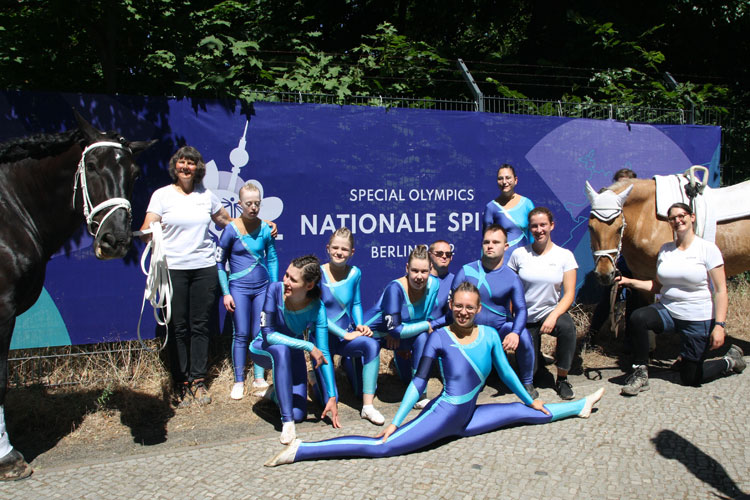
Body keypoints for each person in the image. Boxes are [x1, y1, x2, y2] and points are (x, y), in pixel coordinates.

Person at [264, 282, 604, 466]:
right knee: (381, 448)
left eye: (470, 307)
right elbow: (417, 382)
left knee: (527, 412)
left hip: (468, 416)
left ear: (479, 309)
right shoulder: (439, 337)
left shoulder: (489, 336)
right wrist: (396, 420)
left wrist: (531, 397)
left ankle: (580, 406)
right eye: (458, 305)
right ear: (451, 304)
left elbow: (508, 374)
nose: (463, 311)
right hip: (445, 416)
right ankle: (303, 450)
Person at [617, 203, 745, 396]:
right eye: (673, 218)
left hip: (697, 317)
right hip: (668, 310)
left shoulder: (707, 249)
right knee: (638, 317)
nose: (677, 220)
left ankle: (731, 360)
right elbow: (658, 286)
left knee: (691, 378)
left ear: (692, 217)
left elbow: (720, 290)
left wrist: (719, 325)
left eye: (682, 215)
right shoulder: (666, 250)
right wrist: (628, 281)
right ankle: (641, 373)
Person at [140, 146, 231, 408]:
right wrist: (149, 232)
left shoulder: (207, 196)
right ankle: (180, 382)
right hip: (173, 269)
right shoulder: (162, 196)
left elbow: (229, 221)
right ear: (175, 166)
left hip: (204, 268)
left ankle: (198, 381)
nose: (186, 167)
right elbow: (147, 228)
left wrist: (261, 223)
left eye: (191, 163)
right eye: (182, 163)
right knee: (178, 327)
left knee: (200, 325)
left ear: (198, 168)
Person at [249, 255, 339, 444]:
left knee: (299, 413)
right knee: (281, 350)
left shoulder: (318, 307)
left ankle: (274, 394)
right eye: (286, 275)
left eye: (293, 279)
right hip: (263, 350)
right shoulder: (274, 290)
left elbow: (324, 353)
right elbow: (269, 335)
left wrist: (332, 395)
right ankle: (287, 423)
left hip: (293, 356)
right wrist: (308, 345)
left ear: (309, 285)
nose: (285, 281)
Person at [452, 224, 537, 399]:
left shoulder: (512, 277)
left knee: (524, 335)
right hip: (470, 335)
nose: (490, 246)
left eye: (496, 242)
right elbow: (452, 307)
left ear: (506, 246)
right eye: (486, 242)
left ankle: (527, 382)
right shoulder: (466, 271)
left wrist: (514, 333)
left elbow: (521, 309)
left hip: (499, 333)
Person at [216, 181, 278, 400]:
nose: (253, 207)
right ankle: (239, 380)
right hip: (238, 289)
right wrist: (226, 292)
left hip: (262, 289)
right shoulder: (231, 230)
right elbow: (220, 263)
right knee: (241, 333)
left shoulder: (265, 228)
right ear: (240, 204)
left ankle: (259, 377)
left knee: (260, 332)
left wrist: (274, 288)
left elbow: (272, 258)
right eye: (249, 203)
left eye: (257, 203)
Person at [508, 208, 578, 400]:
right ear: (529, 229)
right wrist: (513, 323)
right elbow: (511, 291)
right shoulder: (519, 254)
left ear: (551, 226)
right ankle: (532, 373)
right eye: (534, 226)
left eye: (543, 225)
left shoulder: (564, 256)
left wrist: (554, 316)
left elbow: (569, 294)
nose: (539, 230)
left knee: (567, 327)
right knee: (533, 372)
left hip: (550, 313)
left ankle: (562, 379)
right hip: (526, 317)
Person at [364, 246, 446, 405]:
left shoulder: (434, 285)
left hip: (401, 333)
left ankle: (420, 395)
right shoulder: (395, 288)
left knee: (422, 337)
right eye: (415, 271)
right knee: (356, 391)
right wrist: (395, 332)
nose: (419, 277)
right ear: (407, 268)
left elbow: (423, 318)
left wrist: (401, 336)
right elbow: (398, 328)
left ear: (430, 269)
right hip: (371, 335)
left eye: (424, 271)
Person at [319, 228, 384, 425]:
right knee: (330, 401)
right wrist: (343, 334)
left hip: (344, 337)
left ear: (352, 252)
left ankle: (368, 407)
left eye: (344, 249)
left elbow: (355, 303)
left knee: (371, 345)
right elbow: (317, 314)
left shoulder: (355, 273)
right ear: (328, 248)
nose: (339, 252)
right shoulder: (318, 273)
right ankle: (314, 379)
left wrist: (360, 325)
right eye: (335, 248)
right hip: (323, 341)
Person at [588, 168, 641, 341]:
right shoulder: (604, 205)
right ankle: (592, 336)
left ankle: (630, 341)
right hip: (615, 262)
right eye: (619, 182)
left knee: (635, 300)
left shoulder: (639, 210)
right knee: (607, 299)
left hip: (633, 261)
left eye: (626, 183)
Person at [482, 164, 535, 258]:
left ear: (516, 180)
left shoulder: (527, 204)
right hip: (501, 262)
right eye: (500, 178)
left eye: (508, 178)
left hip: (524, 261)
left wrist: (534, 259)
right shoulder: (491, 207)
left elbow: (533, 237)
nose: (504, 182)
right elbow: (486, 242)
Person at [428, 239, 455, 326]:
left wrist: (432, 325)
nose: (444, 256)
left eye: (448, 254)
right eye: (439, 253)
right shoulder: (419, 279)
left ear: (451, 257)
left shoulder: (456, 281)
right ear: (429, 255)